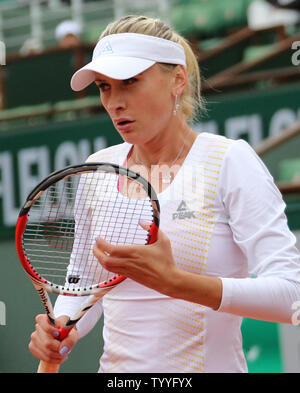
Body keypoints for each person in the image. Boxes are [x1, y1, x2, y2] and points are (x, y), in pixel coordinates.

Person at [29, 15, 300, 373]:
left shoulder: (230, 161)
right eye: (104, 86)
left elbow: (291, 295)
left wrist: (176, 283)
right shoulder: (97, 168)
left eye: (130, 82)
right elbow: (83, 286)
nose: (114, 103)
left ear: (177, 79)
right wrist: (62, 324)